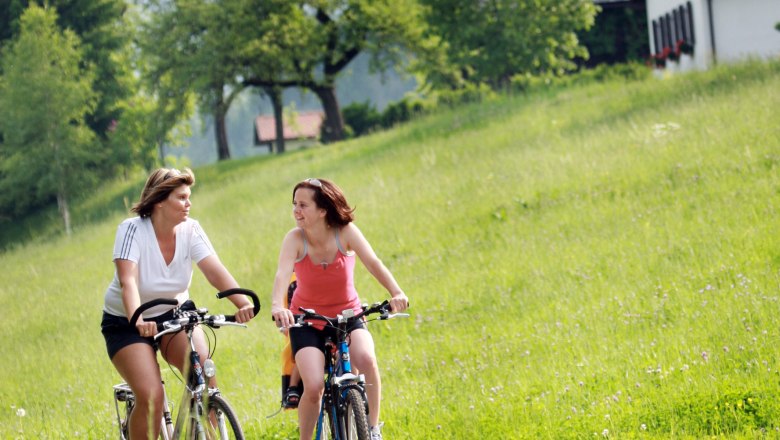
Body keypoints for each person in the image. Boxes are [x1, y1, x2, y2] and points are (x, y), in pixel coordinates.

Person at [100, 168, 255, 440]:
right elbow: (129, 281)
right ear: (160, 200)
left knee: (203, 378)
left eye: (189, 197)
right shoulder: (132, 229)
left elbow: (214, 270)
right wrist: (138, 319)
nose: (189, 203)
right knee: (151, 397)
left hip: (175, 314)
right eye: (181, 197)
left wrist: (243, 303)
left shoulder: (190, 229)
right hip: (127, 322)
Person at [271, 178, 409, 440]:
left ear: (322, 210)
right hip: (307, 321)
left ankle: (373, 428)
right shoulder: (294, 238)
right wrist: (278, 306)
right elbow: (281, 275)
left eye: (303, 205)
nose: (296, 211)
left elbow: (373, 262)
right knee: (312, 386)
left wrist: (396, 292)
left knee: (366, 359)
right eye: (294, 205)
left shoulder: (345, 232)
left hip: (348, 316)